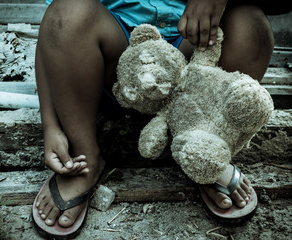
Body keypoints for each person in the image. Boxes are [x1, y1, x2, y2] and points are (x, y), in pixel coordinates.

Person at [32, 0, 286, 238]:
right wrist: (52, 126)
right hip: (111, 67)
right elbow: (55, 26)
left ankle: (206, 145)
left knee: (250, 24)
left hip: (196, 60)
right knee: (68, 12)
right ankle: (84, 157)